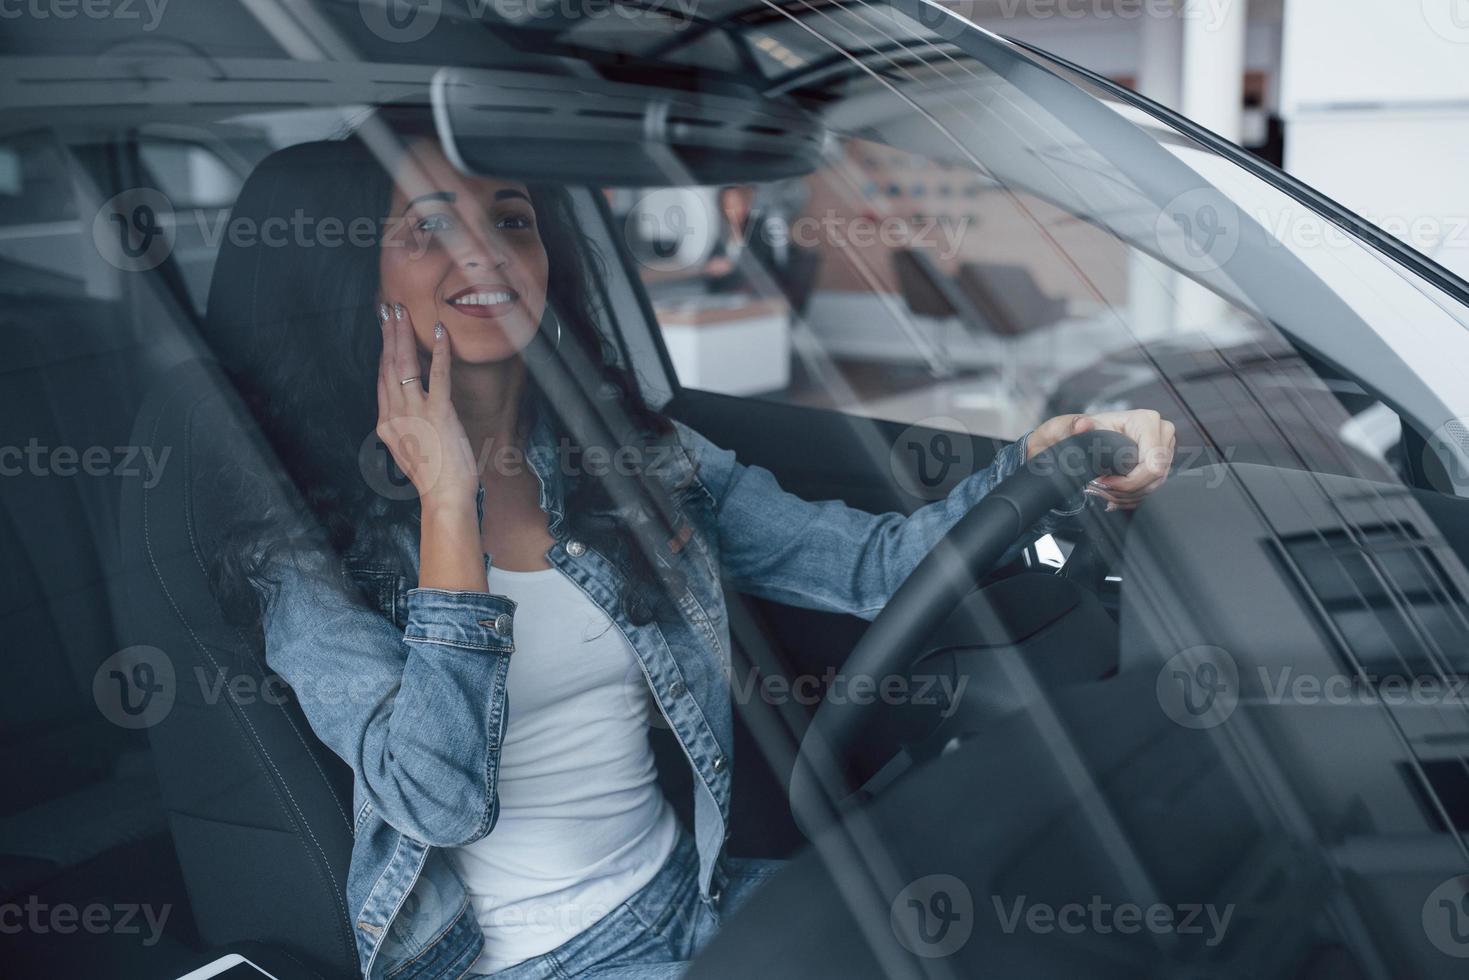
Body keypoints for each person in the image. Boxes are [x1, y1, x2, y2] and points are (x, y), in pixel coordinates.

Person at [203, 109, 1176, 980]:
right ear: (349, 278)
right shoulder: (303, 551)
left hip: (699, 897)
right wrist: (447, 506)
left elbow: (869, 566)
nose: (487, 253)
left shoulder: (634, 461)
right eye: (427, 229)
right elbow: (438, 800)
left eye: (509, 217)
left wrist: (1038, 464)